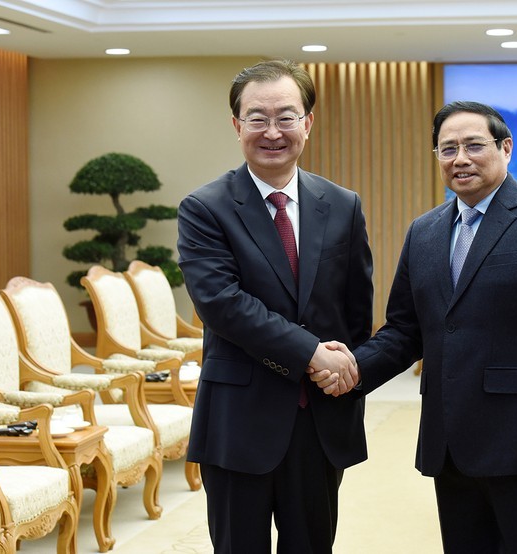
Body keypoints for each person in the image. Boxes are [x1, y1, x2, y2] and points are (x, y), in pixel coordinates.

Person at [311, 101, 517, 552]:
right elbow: (405, 331)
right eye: (447, 149)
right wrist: (351, 369)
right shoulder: (424, 232)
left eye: (473, 145)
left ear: (506, 149)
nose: (460, 158)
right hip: (451, 446)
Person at [177, 59, 373, 553]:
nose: (272, 131)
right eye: (257, 118)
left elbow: (355, 309)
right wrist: (313, 354)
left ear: (308, 122)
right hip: (239, 419)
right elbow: (222, 304)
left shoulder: (342, 204)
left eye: (286, 116)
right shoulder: (205, 208)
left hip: (320, 420)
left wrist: (343, 372)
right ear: (237, 124)